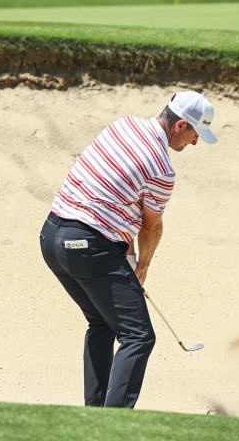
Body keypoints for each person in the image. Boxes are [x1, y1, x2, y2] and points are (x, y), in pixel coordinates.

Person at [38, 91, 217, 408]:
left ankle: (95, 417)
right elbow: (151, 227)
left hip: (53, 238)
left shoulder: (122, 125)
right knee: (139, 336)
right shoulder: (162, 168)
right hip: (89, 247)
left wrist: (130, 264)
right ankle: (112, 427)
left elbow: (122, 208)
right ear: (180, 126)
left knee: (103, 323)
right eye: (194, 134)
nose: (194, 143)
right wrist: (141, 270)